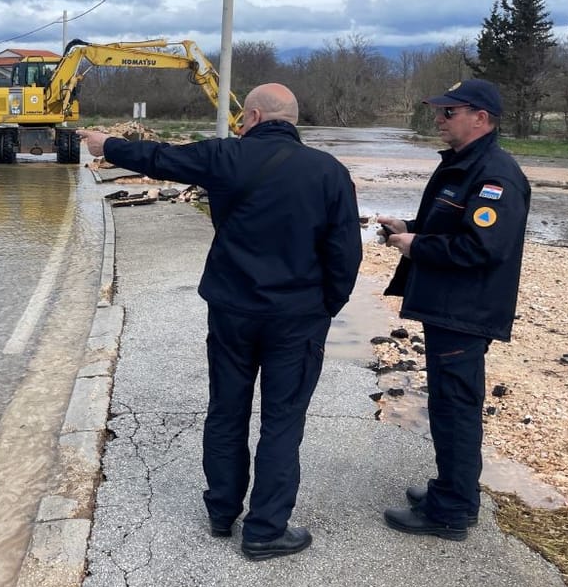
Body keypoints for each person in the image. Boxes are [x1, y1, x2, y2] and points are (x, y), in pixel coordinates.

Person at [78, 83, 362, 560]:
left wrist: (108, 144)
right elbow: (344, 254)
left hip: (232, 312)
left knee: (227, 410)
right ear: (290, 121)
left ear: (252, 116)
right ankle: (266, 529)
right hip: (295, 319)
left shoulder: (226, 157)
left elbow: (161, 158)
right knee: (281, 421)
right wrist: (325, 307)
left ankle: (221, 511)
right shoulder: (330, 172)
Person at [378, 78, 530, 541]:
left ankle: (453, 510)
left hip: (465, 311)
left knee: (456, 408)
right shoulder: (466, 166)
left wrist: (417, 246)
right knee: (448, 404)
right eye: (439, 112)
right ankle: (450, 489)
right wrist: (410, 227)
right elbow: (451, 224)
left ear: (480, 118)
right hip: (449, 308)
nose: (439, 120)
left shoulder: (495, 175)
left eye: (449, 113)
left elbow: (481, 248)